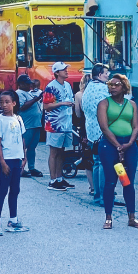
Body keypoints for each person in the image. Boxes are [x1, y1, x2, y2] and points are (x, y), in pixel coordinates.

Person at [97, 74, 138, 230]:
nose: (113, 87)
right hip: (110, 146)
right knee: (110, 181)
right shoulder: (104, 103)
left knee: (127, 182)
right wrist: (118, 146)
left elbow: (136, 126)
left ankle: (132, 217)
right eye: (111, 84)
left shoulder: (131, 104)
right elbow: (104, 127)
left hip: (128, 146)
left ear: (124, 87)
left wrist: (129, 143)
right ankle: (108, 217)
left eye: (117, 84)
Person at [0, 91, 29, 236]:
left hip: (17, 159)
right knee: (3, 189)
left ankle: (13, 219)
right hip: (6, 159)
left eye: (7, 102)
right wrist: (2, 161)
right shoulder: (0, 120)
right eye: (2, 102)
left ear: (14, 103)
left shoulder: (18, 119)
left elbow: (22, 138)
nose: (4, 105)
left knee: (15, 189)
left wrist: (24, 157)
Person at [81, 64, 111, 205]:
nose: (108, 75)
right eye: (106, 73)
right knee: (105, 164)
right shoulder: (103, 89)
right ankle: (105, 196)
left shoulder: (88, 88)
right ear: (99, 75)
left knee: (97, 163)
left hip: (92, 130)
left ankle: (98, 195)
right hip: (103, 131)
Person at [43, 62, 75, 191]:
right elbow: (46, 106)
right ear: (56, 73)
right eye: (63, 70)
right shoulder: (51, 87)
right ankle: (52, 180)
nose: (66, 71)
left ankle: (60, 178)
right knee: (54, 152)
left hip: (66, 123)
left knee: (62, 152)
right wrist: (62, 103)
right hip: (54, 124)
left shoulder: (67, 85)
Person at [16, 75, 44, 178]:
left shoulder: (28, 93)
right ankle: (20, 168)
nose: (29, 86)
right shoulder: (19, 93)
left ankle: (31, 167)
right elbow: (22, 107)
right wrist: (36, 99)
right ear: (21, 84)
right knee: (23, 147)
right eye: (27, 84)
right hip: (27, 125)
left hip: (35, 124)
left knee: (32, 147)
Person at [73, 73, 94, 193]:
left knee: (88, 158)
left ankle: (92, 186)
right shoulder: (98, 95)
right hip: (98, 126)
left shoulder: (79, 95)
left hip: (85, 127)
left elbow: (78, 114)